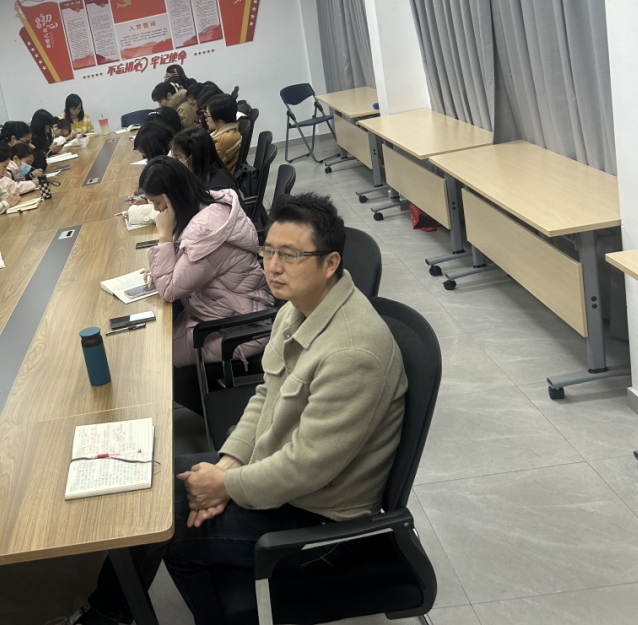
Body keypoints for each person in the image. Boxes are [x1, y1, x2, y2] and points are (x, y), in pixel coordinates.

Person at [78, 193, 408, 625]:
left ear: (330, 263)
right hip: (283, 480)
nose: (273, 266)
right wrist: (228, 463)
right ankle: (108, 612)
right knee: (152, 484)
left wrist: (227, 485)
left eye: (290, 255)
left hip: (322, 524)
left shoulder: (352, 353)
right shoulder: (297, 310)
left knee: (173, 532)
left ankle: (107, 615)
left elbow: (307, 467)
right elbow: (265, 395)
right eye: (268, 251)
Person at [134, 156, 273, 412]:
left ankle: (223, 414)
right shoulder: (206, 207)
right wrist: (167, 264)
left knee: (157, 357)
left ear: (170, 197)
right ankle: (216, 401)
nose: (156, 211)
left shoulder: (207, 234)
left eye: (156, 203)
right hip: (224, 308)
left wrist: (164, 237)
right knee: (158, 336)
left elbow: (170, 290)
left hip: (239, 326)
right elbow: (190, 262)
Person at [171, 126, 238, 193]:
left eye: (177, 157)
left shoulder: (217, 190)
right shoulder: (201, 174)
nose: (175, 161)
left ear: (193, 157)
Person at [205, 93, 242, 174]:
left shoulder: (224, 140)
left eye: (208, 115)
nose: (206, 119)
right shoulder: (229, 131)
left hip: (218, 178)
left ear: (220, 119)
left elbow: (207, 168)